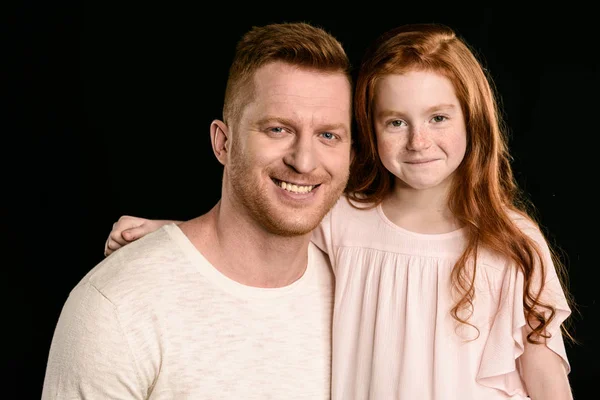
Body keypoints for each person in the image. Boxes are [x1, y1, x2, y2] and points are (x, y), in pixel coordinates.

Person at [104, 23, 575, 399]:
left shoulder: (510, 239)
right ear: (368, 130)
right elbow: (259, 232)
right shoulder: (347, 218)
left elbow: (546, 380)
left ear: (471, 117)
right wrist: (174, 232)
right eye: (396, 122)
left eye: (438, 117)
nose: (419, 141)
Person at [42, 22, 353, 399]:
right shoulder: (118, 306)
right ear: (223, 143)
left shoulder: (360, 293)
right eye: (277, 129)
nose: (304, 161)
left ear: (351, 154)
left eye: (328, 135)